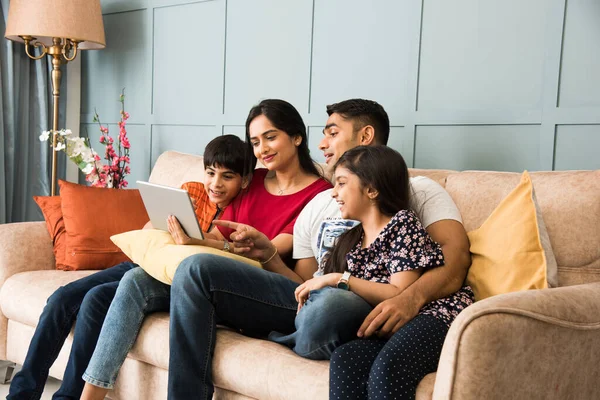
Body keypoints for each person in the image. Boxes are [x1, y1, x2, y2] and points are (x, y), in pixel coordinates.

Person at [155, 99, 470, 400]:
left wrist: (408, 299)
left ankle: (277, 331)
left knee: (328, 307)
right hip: (311, 300)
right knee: (196, 269)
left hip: (355, 301)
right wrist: (269, 256)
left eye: (332, 133)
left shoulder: (416, 192)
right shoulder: (320, 205)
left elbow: (454, 262)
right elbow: (301, 284)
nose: (321, 144)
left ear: (366, 136)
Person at [79, 99, 331, 400]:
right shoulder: (255, 180)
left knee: (195, 266)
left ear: (297, 137)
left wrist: (200, 244)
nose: (262, 149)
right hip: (216, 281)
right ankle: (90, 395)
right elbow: (215, 233)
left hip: (268, 288)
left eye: (270, 136)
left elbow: (261, 251)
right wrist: (181, 234)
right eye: (255, 141)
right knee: (134, 282)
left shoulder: (320, 195)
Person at [7, 134, 250, 400]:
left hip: (164, 279)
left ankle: (68, 397)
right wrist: (171, 220)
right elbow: (146, 229)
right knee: (61, 298)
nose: (215, 184)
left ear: (243, 180)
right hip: (143, 260)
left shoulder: (240, 213)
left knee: (93, 300)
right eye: (211, 173)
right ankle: (20, 395)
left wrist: (197, 239)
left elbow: (226, 256)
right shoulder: (191, 190)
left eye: (227, 177)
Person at [273, 146, 474, 400]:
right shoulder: (352, 242)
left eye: (342, 183)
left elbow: (399, 292)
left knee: (388, 369)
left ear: (372, 190)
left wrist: (338, 279)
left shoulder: (403, 224)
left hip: (434, 315)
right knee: (345, 359)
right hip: (390, 324)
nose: (334, 193)